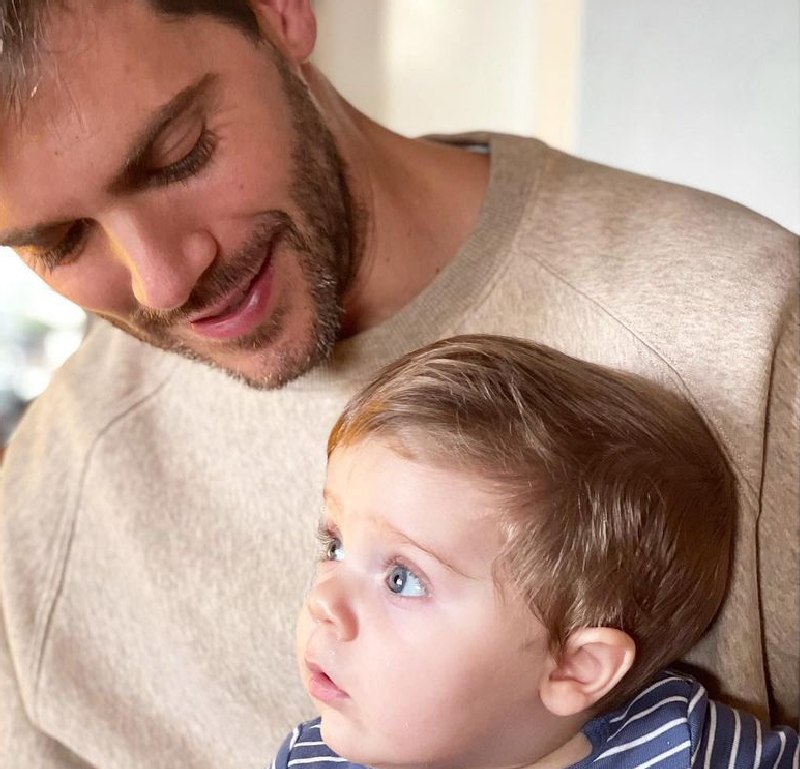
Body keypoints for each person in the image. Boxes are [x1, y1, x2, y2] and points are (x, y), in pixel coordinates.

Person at [0, 0, 796, 766]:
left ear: (279, 9)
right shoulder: (43, 510)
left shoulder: (754, 329)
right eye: (63, 241)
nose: (165, 281)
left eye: (180, 153)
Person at [276, 335, 798, 769]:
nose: (324, 599)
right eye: (335, 545)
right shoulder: (313, 758)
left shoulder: (680, 750)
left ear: (575, 666)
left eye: (402, 579)